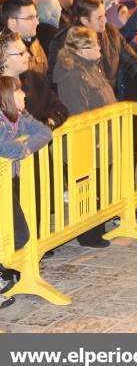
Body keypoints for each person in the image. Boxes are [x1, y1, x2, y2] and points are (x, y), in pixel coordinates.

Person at [53, 27, 119, 247]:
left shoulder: (92, 67)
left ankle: (97, 226)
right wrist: (94, 138)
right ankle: (88, 233)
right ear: (81, 50)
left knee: (99, 184)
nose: (99, 47)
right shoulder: (72, 75)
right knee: (88, 187)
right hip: (88, 140)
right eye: (94, 44)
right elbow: (78, 111)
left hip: (103, 135)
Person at [0, 75, 53, 308]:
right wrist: (23, 148)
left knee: (18, 235)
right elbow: (5, 147)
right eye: (19, 92)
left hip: (8, 183)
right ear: (7, 99)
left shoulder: (18, 117)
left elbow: (44, 132)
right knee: (15, 234)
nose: (25, 95)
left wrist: (24, 146)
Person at [48, 0, 137, 102]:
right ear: (84, 20)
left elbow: (134, 63)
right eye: (99, 18)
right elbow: (59, 82)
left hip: (109, 100)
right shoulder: (64, 41)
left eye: (104, 15)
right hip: (83, 107)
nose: (104, 21)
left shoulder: (111, 33)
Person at [3, 0, 48, 76]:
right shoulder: (4, 51)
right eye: (30, 18)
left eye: (36, 17)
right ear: (12, 23)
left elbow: (46, 72)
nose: (37, 22)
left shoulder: (34, 42)